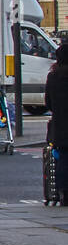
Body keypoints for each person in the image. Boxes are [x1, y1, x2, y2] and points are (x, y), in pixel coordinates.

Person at [45, 43, 68, 205]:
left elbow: (48, 103)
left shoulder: (52, 77)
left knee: (63, 159)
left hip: (60, 125)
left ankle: (63, 193)